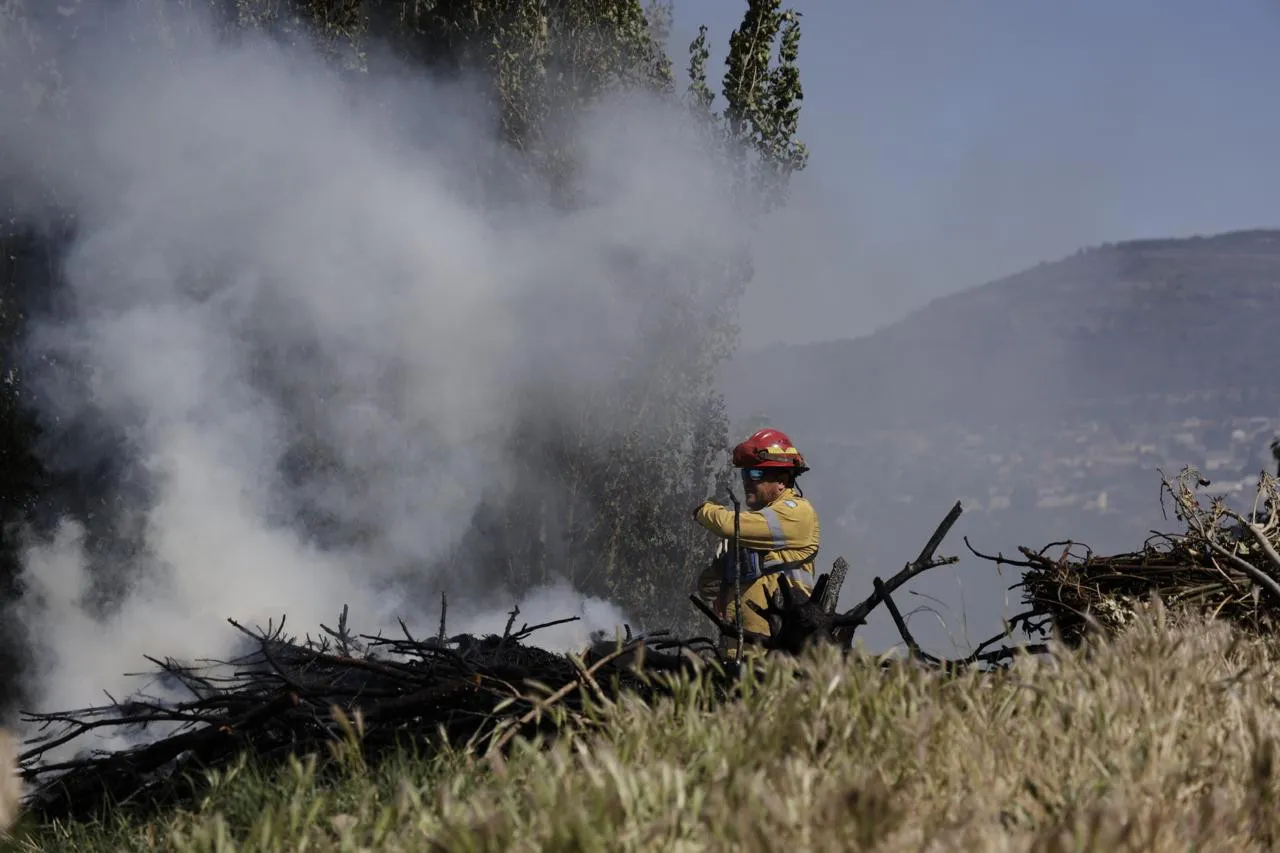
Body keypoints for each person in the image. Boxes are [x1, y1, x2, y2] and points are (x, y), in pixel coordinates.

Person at [693, 427, 820, 656]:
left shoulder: (797, 512)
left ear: (782, 481)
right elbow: (710, 587)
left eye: (756, 475)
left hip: (779, 655)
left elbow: (727, 524)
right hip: (740, 651)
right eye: (745, 474)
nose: (747, 482)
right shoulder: (758, 527)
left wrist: (703, 509)